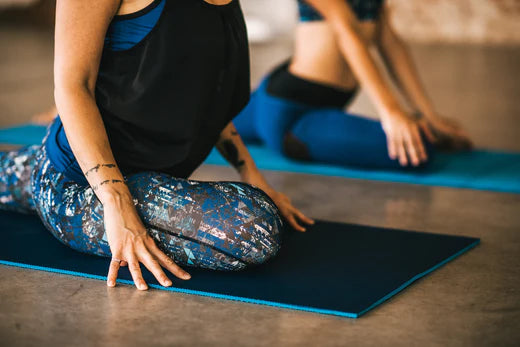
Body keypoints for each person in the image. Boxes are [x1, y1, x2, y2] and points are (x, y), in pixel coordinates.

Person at [0, 0, 313, 291]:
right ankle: (42, 177)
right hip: (84, 184)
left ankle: (29, 170)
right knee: (254, 232)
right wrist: (116, 201)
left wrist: (252, 175)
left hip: (150, 174)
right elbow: (73, 87)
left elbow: (204, 97)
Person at [234, 0, 473, 170]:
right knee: (418, 151)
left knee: (213, 124)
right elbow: (347, 32)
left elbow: (388, 39)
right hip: (290, 114)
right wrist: (391, 112)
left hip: (286, 97)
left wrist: (430, 115)